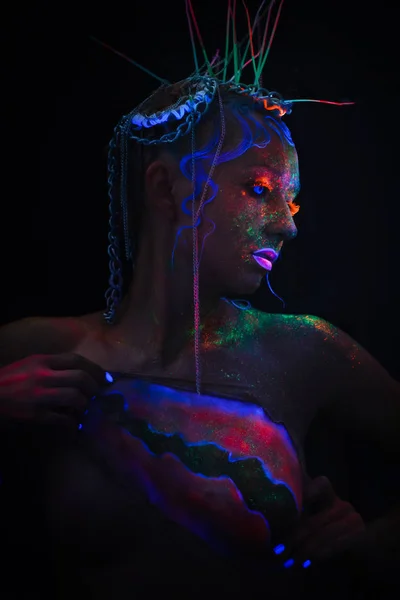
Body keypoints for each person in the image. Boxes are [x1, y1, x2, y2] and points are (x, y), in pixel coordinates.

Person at [0, 2, 399, 598]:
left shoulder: (305, 351)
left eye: (290, 203)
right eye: (259, 189)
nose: (287, 227)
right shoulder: (36, 351)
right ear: (165, 187)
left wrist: (369, 545)